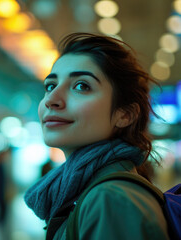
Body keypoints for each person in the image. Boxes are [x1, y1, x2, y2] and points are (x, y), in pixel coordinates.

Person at [24, 32, 169, 239]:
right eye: (50, 86)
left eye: (81, 86)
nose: (51, 99)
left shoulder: (111, 200)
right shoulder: (91, 192)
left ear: (125, 114)